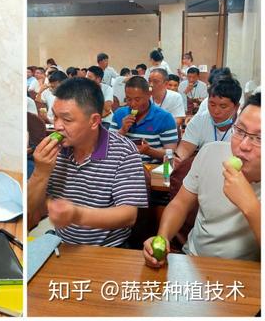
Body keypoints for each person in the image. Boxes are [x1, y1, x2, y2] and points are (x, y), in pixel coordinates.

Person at [143, 93, 260, 265]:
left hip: (244, 272)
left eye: (259, 138)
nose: (243, 145)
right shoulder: (210, 152)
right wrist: (162, 237)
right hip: (193, 260)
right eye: (240, 131)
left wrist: (250, 205)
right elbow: (180, 204)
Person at [28, 78, 148, 245]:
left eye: (67, 120)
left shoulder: (123, 151)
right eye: (55, 117)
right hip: (63, 245)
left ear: (94, 121)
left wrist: (77, 215)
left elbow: (128, 215)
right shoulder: (55, 151)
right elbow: (28, 214)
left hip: (109, 250)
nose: (57, 126)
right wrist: (41, 172)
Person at [111, 75, 178, 163]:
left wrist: (148, 151)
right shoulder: (119, 114)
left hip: (152, 169)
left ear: (149, 95)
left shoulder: (165, 117)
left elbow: (170, 154)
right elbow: (108, 147)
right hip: (123, 167)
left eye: (137, 99)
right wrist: (122, 130)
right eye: (128, 99)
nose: (133, 104)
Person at [175, 79, 242, 162]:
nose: (216, 111)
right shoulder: (199, 120)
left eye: (223, 106)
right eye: (212, 104)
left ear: (236, 107)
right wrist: (177, 160)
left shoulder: (245, 126)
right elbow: (184, 148)